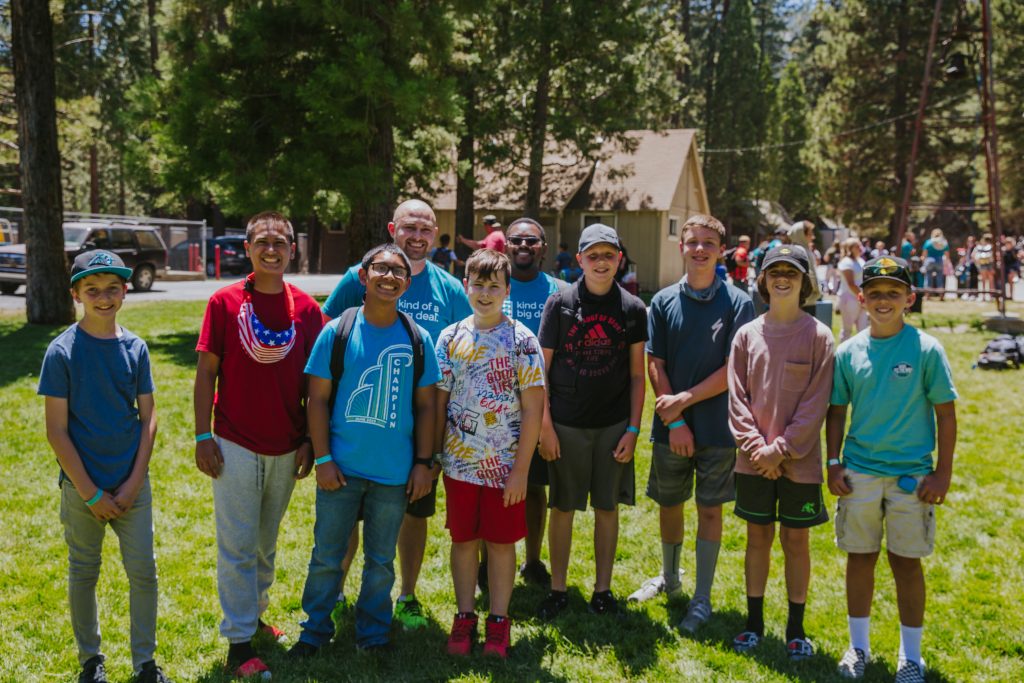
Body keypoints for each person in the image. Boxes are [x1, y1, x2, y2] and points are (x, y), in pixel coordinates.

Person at [321, 199, 471, 631]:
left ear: (435, 234)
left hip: (418, 430)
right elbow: (324, 333)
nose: (417, 236)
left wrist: (435, 448)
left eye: (426, 229)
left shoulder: (449, 289)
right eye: (409, 227)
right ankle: (336, 593)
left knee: (414, 513)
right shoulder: (360, 276)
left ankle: (406, 596)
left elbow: (467, 349)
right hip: (357, 426)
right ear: (393, 229)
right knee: (348, 514)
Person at [288, 243, 440, 656]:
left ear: (407, 283)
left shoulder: (418, 338)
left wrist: (423, 463)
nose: (389, 277)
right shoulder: (337, 331)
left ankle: (373, 633)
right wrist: (323, 458)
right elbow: (317, 399)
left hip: (393, 473)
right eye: (381, 268)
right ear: (363, 276)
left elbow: (427, 406)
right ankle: (314, 631)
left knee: (380, 560)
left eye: (398, 271)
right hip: (340, 469)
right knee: (327, 555)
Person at [194, 212, 325, 679]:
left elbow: (315, 384)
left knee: (266, 543)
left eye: (281, 242)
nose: (272, 250)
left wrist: (309, 439)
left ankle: (255, 616)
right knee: (238, 544)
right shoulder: (224, 302)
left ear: (293, 249)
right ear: (247, 248)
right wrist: (202, 435)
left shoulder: (307, 310)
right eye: (263, 242)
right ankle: (238, 643)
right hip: (234, 442)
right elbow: (206, 373)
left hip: (286, 445)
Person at [39, 250, 171, 683]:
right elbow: (56, 431)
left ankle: (145, 663)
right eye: (92, 289)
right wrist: (90, 492)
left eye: (112, 288)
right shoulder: (61, 352)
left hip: (132, 484)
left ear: (125, 292)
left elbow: (149, 418)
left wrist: (133, 483)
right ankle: (90, 660)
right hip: (82, 488)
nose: (103, 297)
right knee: (84, 571)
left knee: (144, 572)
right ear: (76, 294)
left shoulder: (136, 348)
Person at [827, 256, 957, 682]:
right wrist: (833, 463)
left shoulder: (926, 349)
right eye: (875, 293)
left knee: (906, 563)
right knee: (860, 558)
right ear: (861, 299)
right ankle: (858, 648)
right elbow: (836, 412)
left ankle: (911, 657)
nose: (884, 300)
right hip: (859, 474)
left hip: (912, 478)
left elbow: (946, 415)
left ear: (909, 299)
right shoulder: (848, 352)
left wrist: (942, 473)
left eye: (894, 292)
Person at [627, 214, 754, 634]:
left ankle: (702, 597)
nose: (700, 249)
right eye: (693, 242)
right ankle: (671, 578)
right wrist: (677, 420)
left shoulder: (738, 303)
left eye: (708, 243)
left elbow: (734, 369)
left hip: (718, 427)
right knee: (670, 504)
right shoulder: (663, 301)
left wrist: (685, 400)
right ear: (681, 247)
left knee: (710, 509)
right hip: (672, 428)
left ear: (722, 251)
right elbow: (655, 363)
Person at [435, 249, 546, 658]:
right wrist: (433, 458)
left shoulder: (522, 341)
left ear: (507, 290)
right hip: (459, 465)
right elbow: (440, 403)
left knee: (500, 543)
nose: (485, 293)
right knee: (464, 541)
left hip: (505, 469)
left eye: (493, 286)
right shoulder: (450, 338)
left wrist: (521, 471)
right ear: (465, 286)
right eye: (478, 285)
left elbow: (533, 409)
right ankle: (465, 617)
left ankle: (499, 621)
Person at [727, 245, 834, 660]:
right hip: (753, 461)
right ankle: (753, 623)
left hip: (799, 464)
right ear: (763, 281)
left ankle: (796, 628)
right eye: (775, 271)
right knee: (757, 538)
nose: (783, 278)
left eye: (792, 271)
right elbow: (737, 399)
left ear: (805, 281)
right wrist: (759, 450)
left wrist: (782, 450)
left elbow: (816, 403)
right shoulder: (746, 335)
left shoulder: (819, 336)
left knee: (795, 540)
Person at [536, 223, 648, 619]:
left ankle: (603, 590)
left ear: (620, 259)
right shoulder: (560, 304)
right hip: (565, 424)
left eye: (609, 255)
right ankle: (558, 589)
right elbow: (540, 371)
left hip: (613, 426)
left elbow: (638, 375)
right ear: (580, 260)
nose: (602, 262)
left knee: (607, 507)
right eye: (593, 255)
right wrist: (545, 427)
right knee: (562, 507)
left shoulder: (633, 308)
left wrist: (633, 429)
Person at [502, 218, 568, 586]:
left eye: (532, 240)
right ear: (505, 246)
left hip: (542, 409)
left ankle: (532, 560)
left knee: (534, 487)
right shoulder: (493, 285)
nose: (523, 246)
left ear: (544, 247)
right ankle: (488, 561)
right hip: (492, 406)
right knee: (491, 487)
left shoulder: (561, 291)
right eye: (516, 240)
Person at [837, 238, 868, 342]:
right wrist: (862, 297)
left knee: (863, 330)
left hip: (861, 298)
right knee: (847, 330)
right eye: (857, 246)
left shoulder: (860, 261)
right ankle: (843, 351)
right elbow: (851, 284)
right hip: (849, 298)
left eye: (860, 245)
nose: (860, 248)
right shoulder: (846, 262)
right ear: (850, 248)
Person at [922, 228, 950, 293]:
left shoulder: (928, 242)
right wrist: (946, 263)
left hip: (929, 261)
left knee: (928, 278)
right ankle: (941, 295)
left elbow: (924, 255)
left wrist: (923, 262)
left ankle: (927, 295)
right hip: (939, 261)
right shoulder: (944, 242)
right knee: (939, 279)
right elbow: (947, 254)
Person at [974, 233, 995, 301]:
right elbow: (975, 256)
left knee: (989, 280)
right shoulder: (980, 247)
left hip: (989, 264)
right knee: (986, 280)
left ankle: (990, 296)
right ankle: (986, 296)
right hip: (984, 264)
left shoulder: (991, 247)